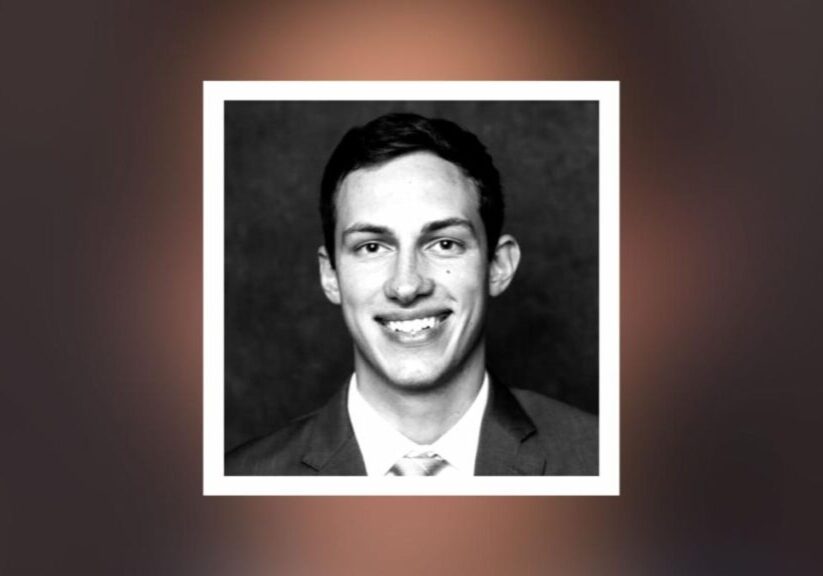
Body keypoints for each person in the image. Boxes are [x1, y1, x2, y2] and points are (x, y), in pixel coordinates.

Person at [226, 112, 597, 476]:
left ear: (498, 266)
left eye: (444, 244)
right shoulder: (241, 479)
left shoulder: (606, 460)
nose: (406, 286)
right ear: (330, 275)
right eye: (372, 247)